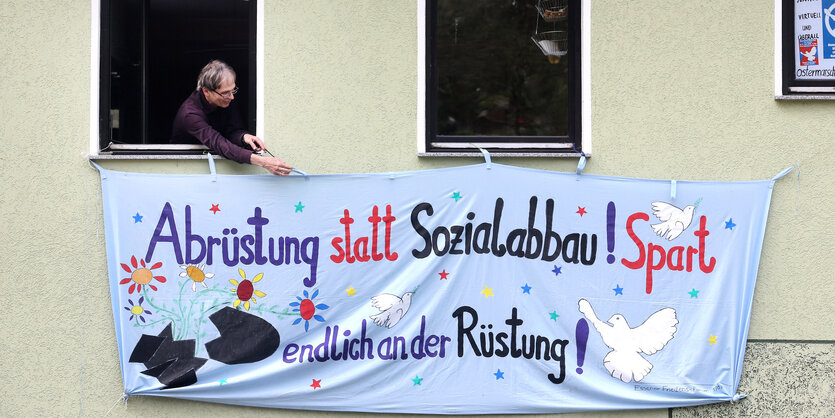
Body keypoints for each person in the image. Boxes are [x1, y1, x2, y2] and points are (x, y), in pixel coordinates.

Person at [171, 60, 292, 176]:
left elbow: (232, 131)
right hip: (185, 168)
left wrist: (244, 137)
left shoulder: (226, 98)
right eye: (225, 93)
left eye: (233, 90)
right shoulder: (190, 114)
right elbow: (219, 144)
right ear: (206, 91)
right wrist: (264, 162)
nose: (232, 97)